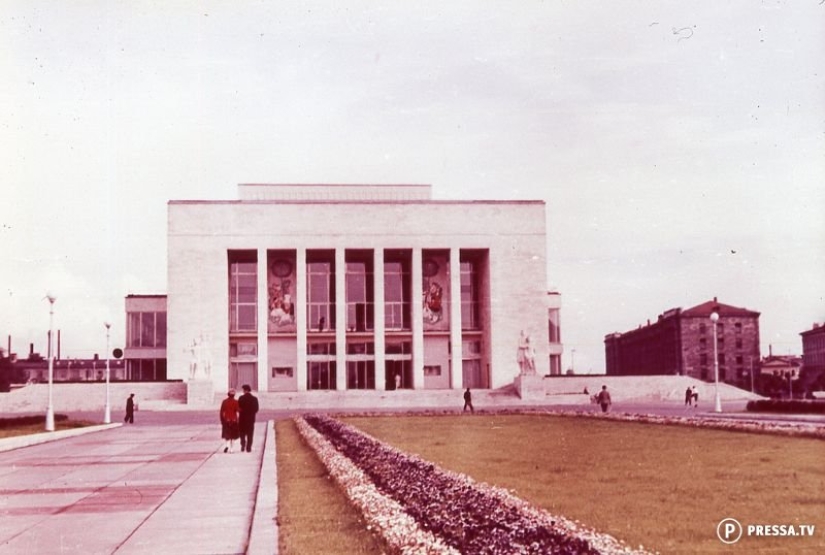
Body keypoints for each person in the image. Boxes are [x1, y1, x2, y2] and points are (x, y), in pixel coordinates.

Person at [237, 384, 259, 453]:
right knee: (250, 433)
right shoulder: (254, 399)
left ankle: (243, 445)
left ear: (245, 390)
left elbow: (238, 408)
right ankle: (249, 447)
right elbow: (256, 409)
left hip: (242, 419)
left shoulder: (241, 398)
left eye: (243, 390)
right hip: (251, 419)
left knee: (242, 433)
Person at [220, 389, 240, 453]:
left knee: (227, 435)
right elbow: (238, 411)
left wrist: (222, 420)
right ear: (234, 395)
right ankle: (231, 449)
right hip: (234, 420)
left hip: (226, 420)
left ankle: (227, 445)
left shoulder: (224, 402)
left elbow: (222, 412)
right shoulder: (236, 402)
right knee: (233, 436)